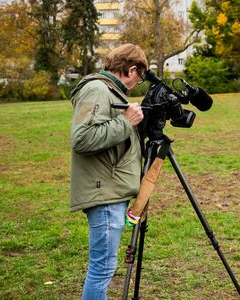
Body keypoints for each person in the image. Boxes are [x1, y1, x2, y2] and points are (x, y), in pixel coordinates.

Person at [69, 43, 148, 300]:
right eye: (140, 76)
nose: (139, 82)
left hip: (110, 190)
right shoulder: (97, 90)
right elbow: (82, 140)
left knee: (103, 267)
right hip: (104, 193)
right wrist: (126, 122)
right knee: (102, 269)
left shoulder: (109, 91)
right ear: (132, 69)